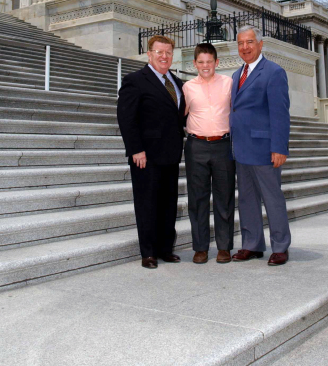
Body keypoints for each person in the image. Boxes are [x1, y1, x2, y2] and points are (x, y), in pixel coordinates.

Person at [117, 35, 186, 269]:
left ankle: (165, 248)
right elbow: (127, 118)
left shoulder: (177, 83)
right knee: (147, 203)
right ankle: (148, 252)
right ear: (149, 54)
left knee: (168, 203)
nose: (164, 56)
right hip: (146, 155)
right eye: (159, 52)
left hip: (171, 153)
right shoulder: (135, 80)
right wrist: (136, 149)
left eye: (168, 52)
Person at [230, 25, 291, 265]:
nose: (245, 47)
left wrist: (279, 147)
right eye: (240, 43)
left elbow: (280, 113)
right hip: (241, 148)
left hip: (265, 149)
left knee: (272, 198)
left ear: (260, 44)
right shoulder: (236, 75)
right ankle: (252, 245)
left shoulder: (273, 72)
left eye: (249, 42)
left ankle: (280, 247)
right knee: (246, 199)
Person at [183, 43, 235, 264]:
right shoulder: (187, 87)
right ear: (194, 64)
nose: (205, 66)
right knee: (198, 199)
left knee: (224, 198)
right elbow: (178, 116)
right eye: (201, 62)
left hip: (223, 145)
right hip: (196, 147)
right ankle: (200, 248)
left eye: (209, 62)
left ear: (217, 63)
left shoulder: (229, 84)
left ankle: (224, 247)